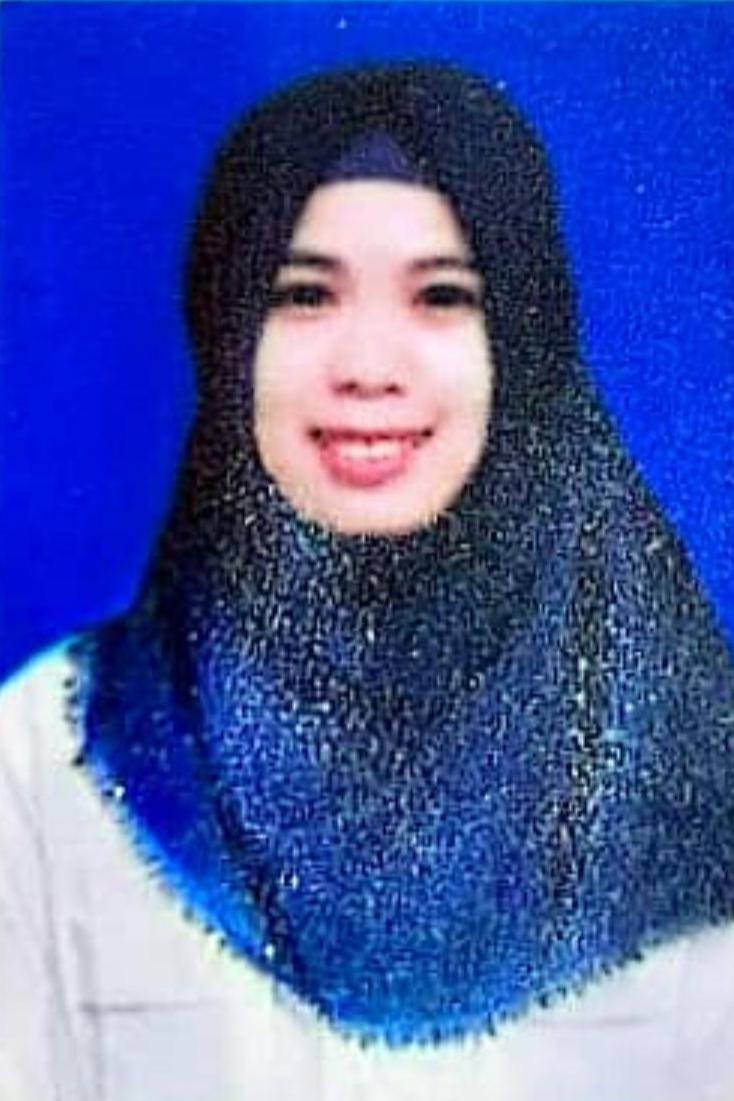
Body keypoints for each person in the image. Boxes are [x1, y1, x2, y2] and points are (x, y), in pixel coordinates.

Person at [1, 61, 734, 1101]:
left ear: (522, 341)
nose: (368, 365)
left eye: (442, 296)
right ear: (227, 330)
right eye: (303, 294)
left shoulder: (687, 757)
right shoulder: (46, 760)